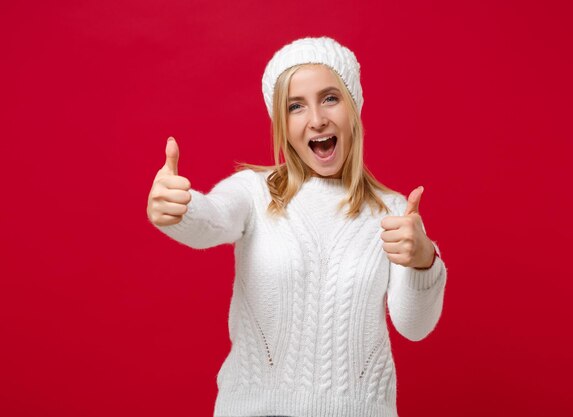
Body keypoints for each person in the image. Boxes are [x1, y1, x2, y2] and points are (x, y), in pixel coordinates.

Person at [146, 36, 447, 417]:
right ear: (282, 125)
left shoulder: (393, 211)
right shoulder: (254, 193)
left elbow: (414, 327)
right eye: (296, 106)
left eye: (330, 98)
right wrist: (179, 208)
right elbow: (212, 217)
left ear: (353, 106)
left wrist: (423, 260)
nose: (317, 119)